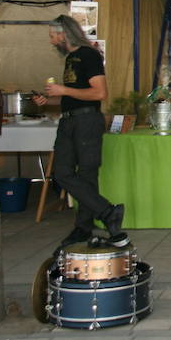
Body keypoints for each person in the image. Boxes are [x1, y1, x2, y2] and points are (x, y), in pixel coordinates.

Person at [34, 15, 128, 249]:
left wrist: (62, 89)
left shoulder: (88, 55)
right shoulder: (71, 59)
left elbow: (99, 94)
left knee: (86, 175)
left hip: (86, 121)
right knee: (62, 172)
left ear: (64, 33)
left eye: (53, 36)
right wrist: (52, 97)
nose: (52, 41)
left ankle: (84, 227)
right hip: (70, 121)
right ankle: (107, 213)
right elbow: (76, 93)